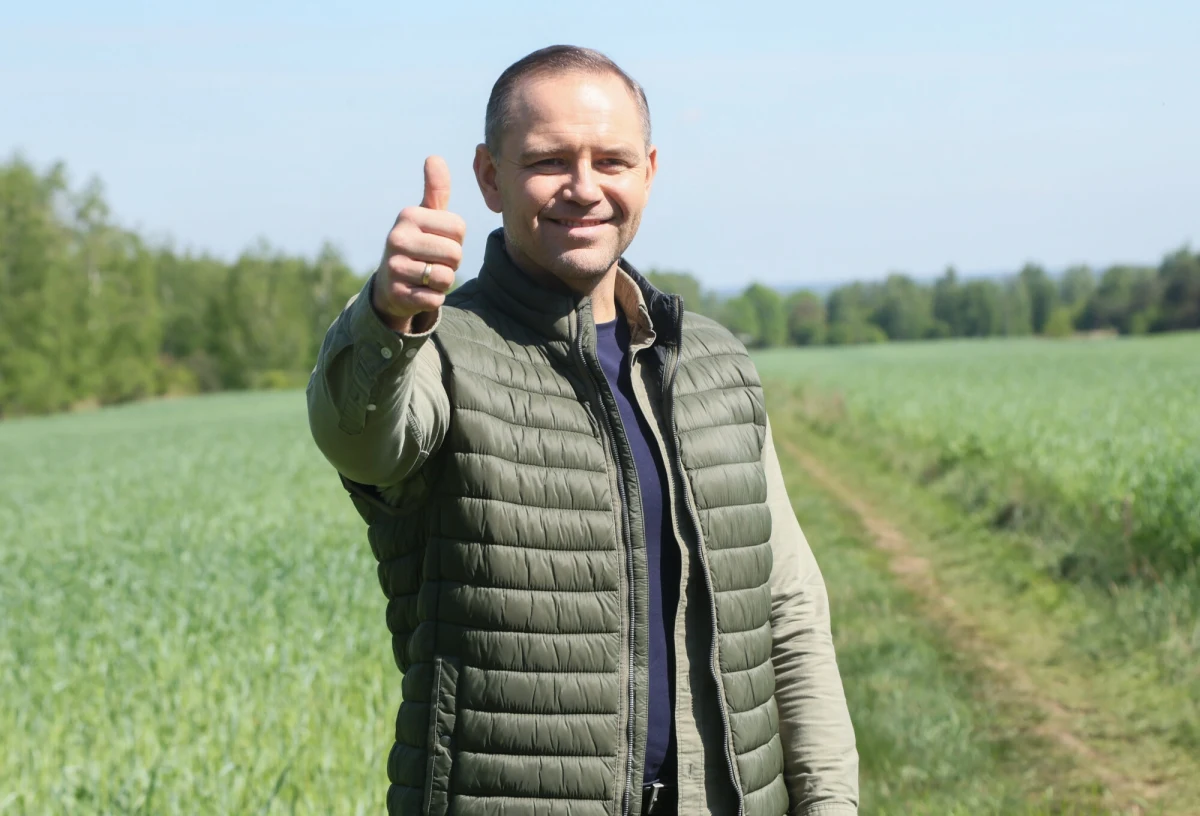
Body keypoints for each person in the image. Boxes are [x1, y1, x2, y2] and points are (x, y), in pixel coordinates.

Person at [307, 44, 858, 816]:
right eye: (548, 160)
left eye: (612, 160)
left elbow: (788, 609)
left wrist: (830, 803)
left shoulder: (712, 363)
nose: (584, 188)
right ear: (490, 177)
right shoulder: (439, 351)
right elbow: (359, 436)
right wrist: (386, 319)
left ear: (650, 172)